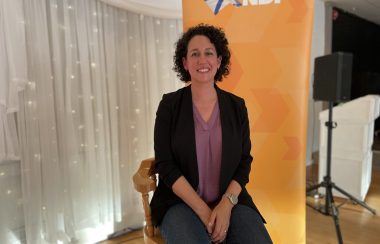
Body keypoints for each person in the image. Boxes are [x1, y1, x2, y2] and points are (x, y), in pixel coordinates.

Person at [150, 23, 272, 244]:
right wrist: (205, 212)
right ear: (185, 63)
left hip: (231, 201)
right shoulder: (169, 105)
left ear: (219, 61)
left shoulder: (237, 106)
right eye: (194, 54)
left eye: (209, 53)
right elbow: (165, 165)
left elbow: (244, 161)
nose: (202, 60)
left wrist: (226, 204)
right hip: (179, 204)